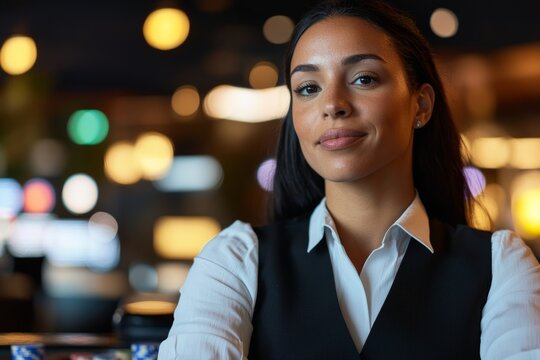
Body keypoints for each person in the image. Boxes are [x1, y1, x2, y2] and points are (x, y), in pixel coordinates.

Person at [158, 0, 540, 359]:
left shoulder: (501, 266)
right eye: (309, 88)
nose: (332, 104)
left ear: (420, 105)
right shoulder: (235, 260)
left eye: (363, 79)